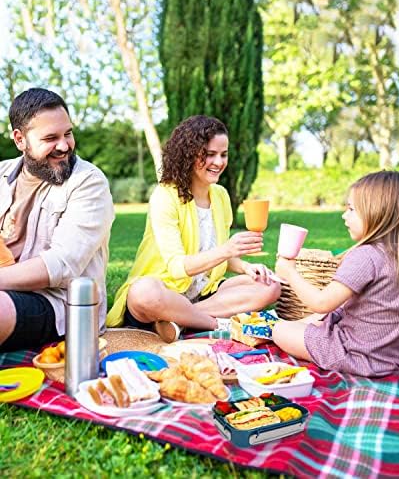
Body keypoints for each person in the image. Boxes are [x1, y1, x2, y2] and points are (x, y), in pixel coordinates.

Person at [107, 115, 280, 342]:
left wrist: (247, 267)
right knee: (143, 292)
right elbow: (178, 267)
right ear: (188, 154)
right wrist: (228, 249)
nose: (219, 162)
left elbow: (216, 254)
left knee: (270, 286)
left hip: (203, 294)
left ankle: (179, 321)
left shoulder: (220, 195)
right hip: (164, 292)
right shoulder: (165, 196)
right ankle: (216, 323)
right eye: (209, 154)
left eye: (223, 154)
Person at [0, 88, 114, 352]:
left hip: (60, 304)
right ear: (20, 139)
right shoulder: (2, 174)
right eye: (50, 138)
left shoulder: (89, 182)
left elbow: (61, 265)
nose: (64, 146)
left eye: (68, 134)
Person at [273, 170, 399, 377]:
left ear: (376, 212)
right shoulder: (394, 255)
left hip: (353, 354)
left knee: (279, 330)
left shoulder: (366, 256)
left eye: (351, 209)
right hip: (389, 357)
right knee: (315, 320)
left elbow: (322, 303)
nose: (344, 215)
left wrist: (290, 273)